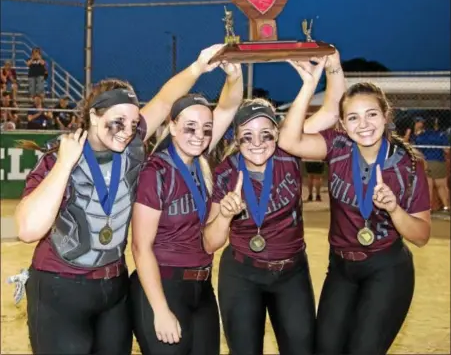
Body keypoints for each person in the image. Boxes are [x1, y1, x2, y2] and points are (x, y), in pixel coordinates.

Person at [13, 44, 225, 355]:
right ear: (93, 116)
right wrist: (63, 165)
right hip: (61, 286)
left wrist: (198, 66)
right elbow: (28, 229)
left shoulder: (132, 143)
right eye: (117, 121)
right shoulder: (58, 156)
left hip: (113, 288)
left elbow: (165, 100)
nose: (127, 131)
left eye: (132, 121)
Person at [202, 52, 346, 355]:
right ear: (237, 138)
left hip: (291, 272)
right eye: (247, 137)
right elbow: (210, 243)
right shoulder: (227, 172)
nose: (257, 144)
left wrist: (328, 71)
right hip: (242, 273)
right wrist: (225, 216)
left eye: (265, 135)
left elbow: (333, 113)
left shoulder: (288, 151)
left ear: (276, 134)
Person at [279, 72, 431, 355]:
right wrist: (310, 85)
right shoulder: (337, 147)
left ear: (386, 115)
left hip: (386, 268)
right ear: (343, 124)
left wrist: (395, 209)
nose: (363, 125)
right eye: (353, 118)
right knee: (325, 348)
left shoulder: (408, 165)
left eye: (371, 114)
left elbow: (421, 236)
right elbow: (288, 141)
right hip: (341, 268)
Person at [130, 61, 243, 355]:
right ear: (173, 127)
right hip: (163, 286)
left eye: (206, 130)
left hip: (202, 288)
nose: (199, 135)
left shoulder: (200, 164)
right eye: (190, 127)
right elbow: (141, 247)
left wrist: (234, 75)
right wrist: (161, 310)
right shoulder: (156, 171)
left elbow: (229, 107)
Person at [406, 117, 449, 212]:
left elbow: (414, 148)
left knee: (427, 186)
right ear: (435, 124)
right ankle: (446, 207)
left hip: (425, 162)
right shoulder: (441, 134)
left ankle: (428, 208)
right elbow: (446, 150)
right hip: (438, 161)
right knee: (442, 186)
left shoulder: (419, 135)